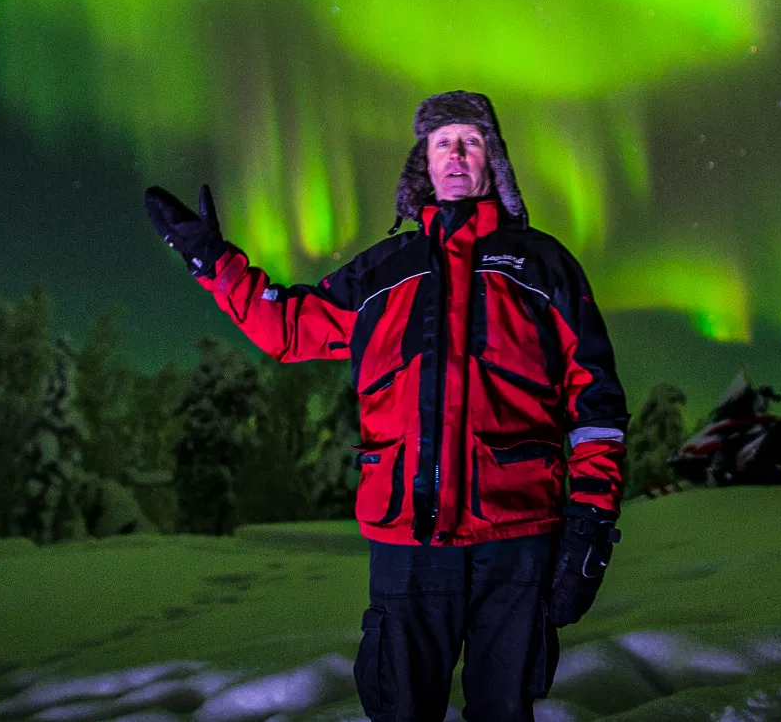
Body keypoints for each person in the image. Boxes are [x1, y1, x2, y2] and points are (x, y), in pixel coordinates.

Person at [145, 90, 628, 722]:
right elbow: (288, 327)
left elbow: (597, 405)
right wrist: (213, 261)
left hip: (517, 541)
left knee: (504, 711)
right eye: (441, 143)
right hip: (408, 541)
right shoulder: (384, 271)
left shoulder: (543, 265)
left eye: (471, 141)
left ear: (494, 161)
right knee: (401, 709)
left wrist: (590, 527)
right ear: (422, 163)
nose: (455, 154)